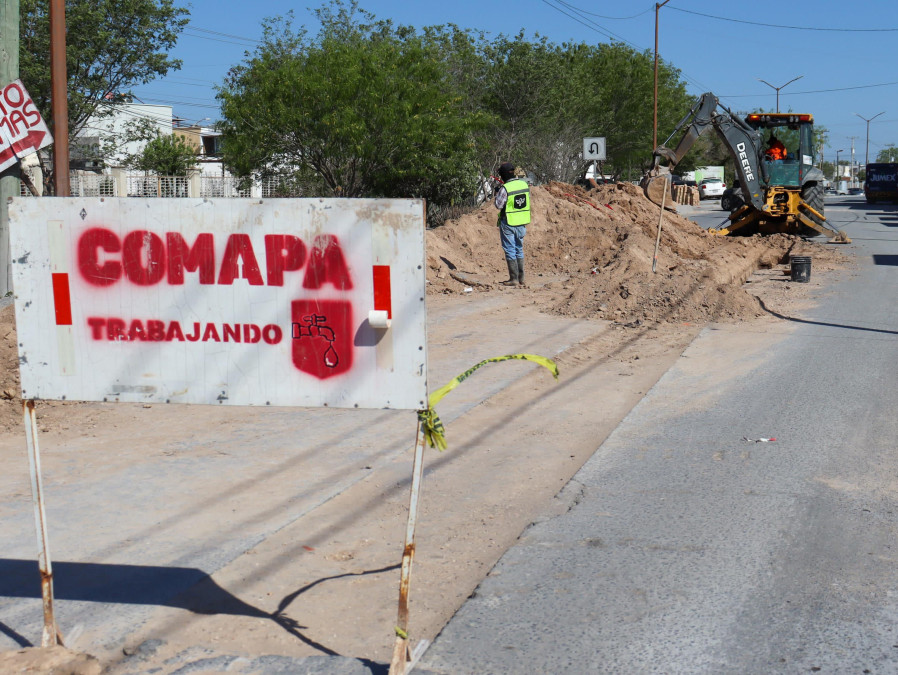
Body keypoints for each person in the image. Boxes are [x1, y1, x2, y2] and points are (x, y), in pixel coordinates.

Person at [494, 162, 531, 286]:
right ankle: (522, 278)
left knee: (510, 250)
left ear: (503, 174)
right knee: (519, 249)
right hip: (522, 222)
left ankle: (514, 279)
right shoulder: (524, 184)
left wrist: (497, 193)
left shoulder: (505, 188)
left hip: (509, 222)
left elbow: (498, 205)